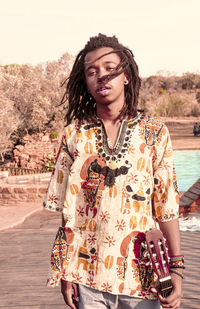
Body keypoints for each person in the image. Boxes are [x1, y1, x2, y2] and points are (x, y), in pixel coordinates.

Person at [43, 34, 183, 309]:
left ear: (126, 76)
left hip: (143, 277)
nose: (101, 77)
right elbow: (68, 211)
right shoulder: (74, 135)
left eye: (109, 68)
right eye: (92, 72)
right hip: (87, 277)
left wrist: (176, 269)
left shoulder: (154, 133)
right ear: (85, 82)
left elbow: (166, 207)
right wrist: (65, 271)